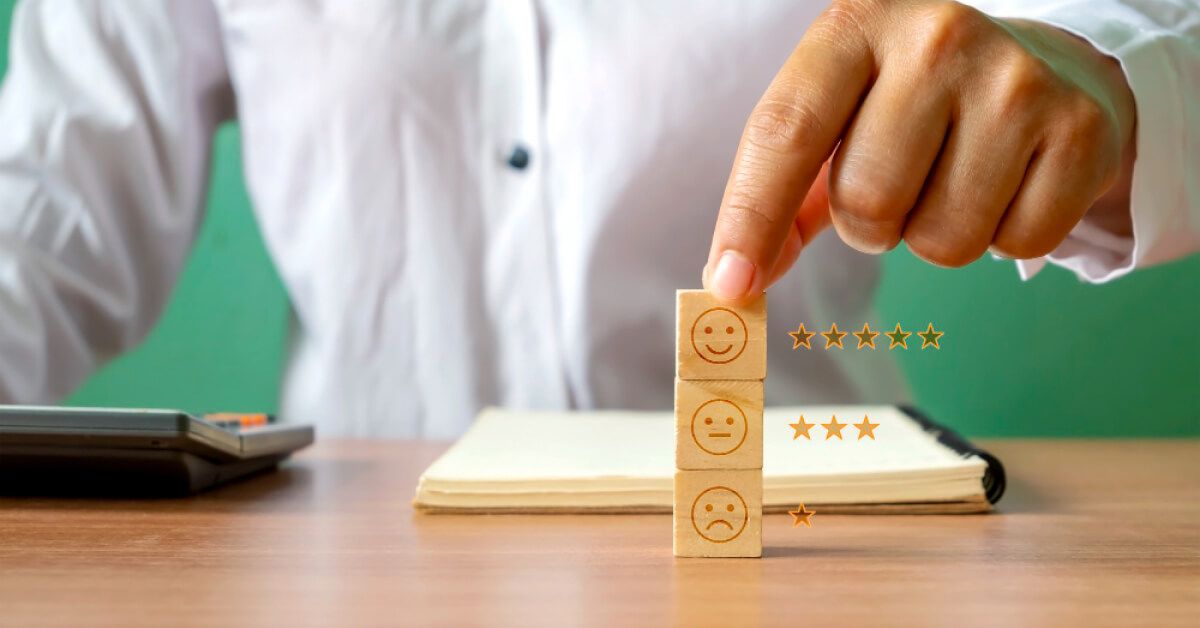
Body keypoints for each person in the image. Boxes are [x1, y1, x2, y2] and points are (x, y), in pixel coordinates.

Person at [0, 1, 1196, 437]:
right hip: (354, 562)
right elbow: (40, 211)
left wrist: (1096, 73)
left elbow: (1137, 35)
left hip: (813, 547)